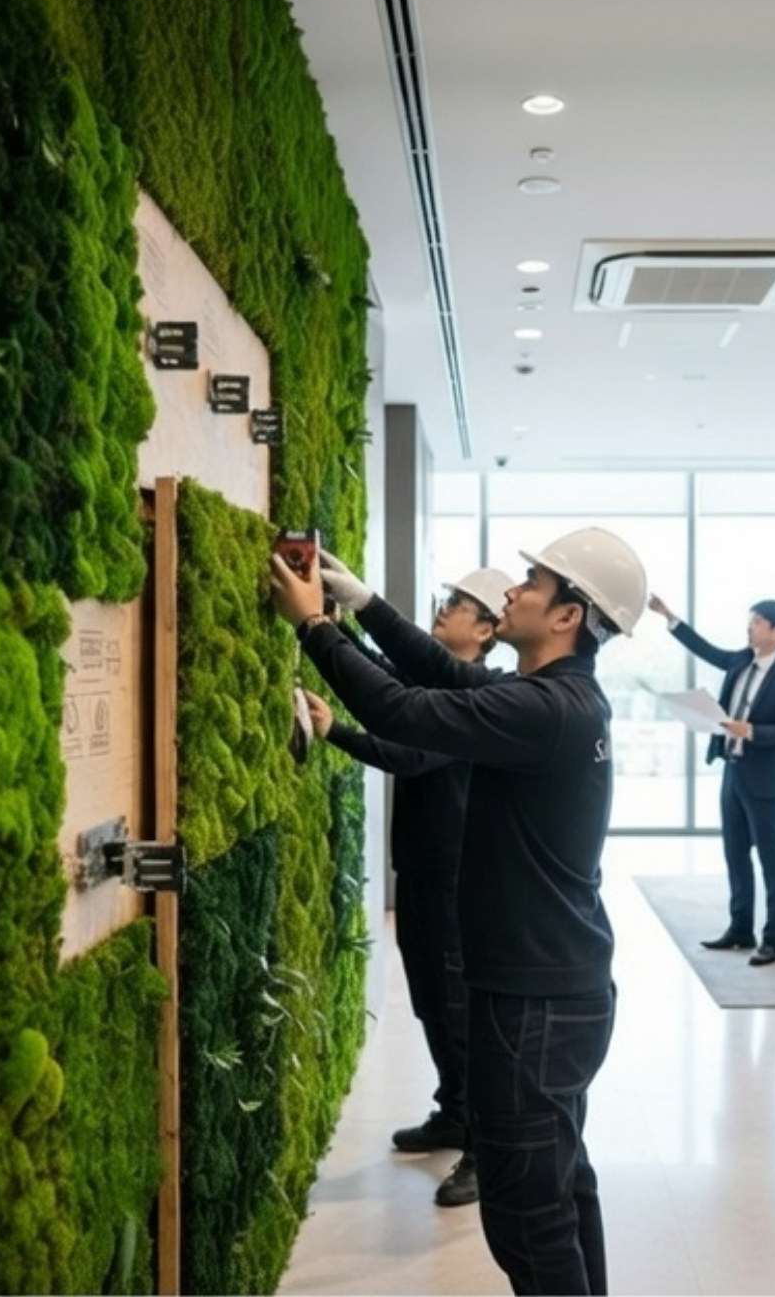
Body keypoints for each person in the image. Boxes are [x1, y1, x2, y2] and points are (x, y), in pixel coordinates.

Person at [269, 527, 647, 1297]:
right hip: (554, 984)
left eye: (532, 583)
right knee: (560, 1186)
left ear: (568, 615)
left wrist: (311, 625)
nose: (512, 590)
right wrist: (363, 604)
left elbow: (405, 712)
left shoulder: (546, 709)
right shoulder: (560, 698)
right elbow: (446, 676)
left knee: (527, 1216)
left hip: (534, 999)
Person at [302, 566, 515, 1209]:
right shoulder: (440, 684)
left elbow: (408, 752)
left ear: (486, 630)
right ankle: (454, 1111)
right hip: (422, 870)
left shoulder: (480, 703)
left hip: (453, 880)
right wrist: (338, 630)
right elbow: (389, 680)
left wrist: (336, 731)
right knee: (430, 1000)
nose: (443, 609)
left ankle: (482, 1145)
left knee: (457, 1009)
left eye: (458, 604)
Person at [650, 593, 775, 965]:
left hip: (766, 782)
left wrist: (751, 730)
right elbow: (705, 650)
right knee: (735, 856)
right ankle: (741, 930)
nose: (749, 628)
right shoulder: (740, 660)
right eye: (749, 621)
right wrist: (669, 617)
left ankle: (773, 940)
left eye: (756, 622)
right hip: (733, 773)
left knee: (770, 860)